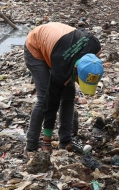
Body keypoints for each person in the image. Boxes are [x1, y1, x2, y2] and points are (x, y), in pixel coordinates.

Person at [24, 22, 103, 156]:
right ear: (75, 70)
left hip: (62, 44)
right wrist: (47, 140)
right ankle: (31, 146)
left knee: (69, 96)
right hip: (36, 46)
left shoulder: (95, 46)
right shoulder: (61, 70)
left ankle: (66, 141)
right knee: (44, 98)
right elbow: (51, 103)